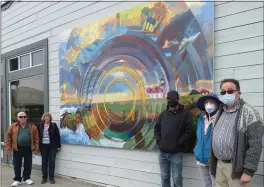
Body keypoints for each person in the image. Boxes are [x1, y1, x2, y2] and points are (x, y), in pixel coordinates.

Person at [210, 78, 264, 187]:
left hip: (237, 168)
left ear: (238, 93)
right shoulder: (219, 112)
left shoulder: (249, 113)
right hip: (220, 166)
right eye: (223, 92)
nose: (226, 94)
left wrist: (248, 171)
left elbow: (256, 144)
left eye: (230, 91)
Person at [154, 90, 193, 187]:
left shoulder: (185, 114)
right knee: (164, 177)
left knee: (177, 179)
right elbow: (157, 129)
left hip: (176, 153)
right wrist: (159, 142)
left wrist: (179, 143)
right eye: (169, 99)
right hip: (162, 152)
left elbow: (189, 131)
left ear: (177, 99)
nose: (171, 101)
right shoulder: (163, 115)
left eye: (173, 99)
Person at [194, 93, 223, 187]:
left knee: (216, 185)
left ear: (217, 104)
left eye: (211, 101)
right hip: (201, 159)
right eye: (206, 102)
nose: (209, 104)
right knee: (205, 185)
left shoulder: (221, 118)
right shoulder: (201, 119)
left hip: (215, 161)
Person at [5, 112, 39, 187]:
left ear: (27, 117)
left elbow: (36, 139)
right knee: (17, 165)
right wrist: (8, 148)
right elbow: (8, 138)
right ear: (17, 118)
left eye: (24, 116)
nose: (23, 118)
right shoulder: (13, 126)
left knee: (28, 164)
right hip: (17, 149)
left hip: (28, 149)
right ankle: (17, 179)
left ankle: (26, 178)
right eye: (21, 117)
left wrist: (36, 149)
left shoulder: (32, 127)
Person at [37, 113, 61, 184]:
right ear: (43, 118)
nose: (47, 118)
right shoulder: (39, 126)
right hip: (43, 147)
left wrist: (58, 146)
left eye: (48, 117)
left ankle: (51, 178)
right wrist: (36, 146)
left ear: (50, 118)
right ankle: (44, 178)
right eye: (45, 117)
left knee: (52, 162)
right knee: (44, 162)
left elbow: (58, 136)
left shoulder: (54, 125)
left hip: (52, 147)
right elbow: (37, 136)